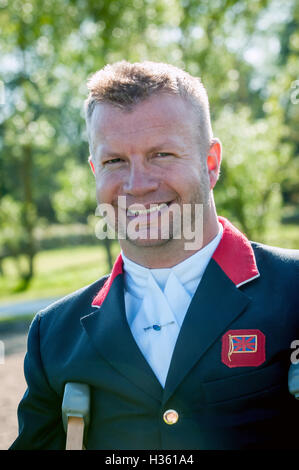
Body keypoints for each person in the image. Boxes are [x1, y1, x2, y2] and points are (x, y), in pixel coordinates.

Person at [10, 61, 299, 450]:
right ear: (95, 169)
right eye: (115, 161)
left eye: (161, 154)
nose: (137, 185)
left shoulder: (294, 290)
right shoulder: (54, 335)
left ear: (210, 163)